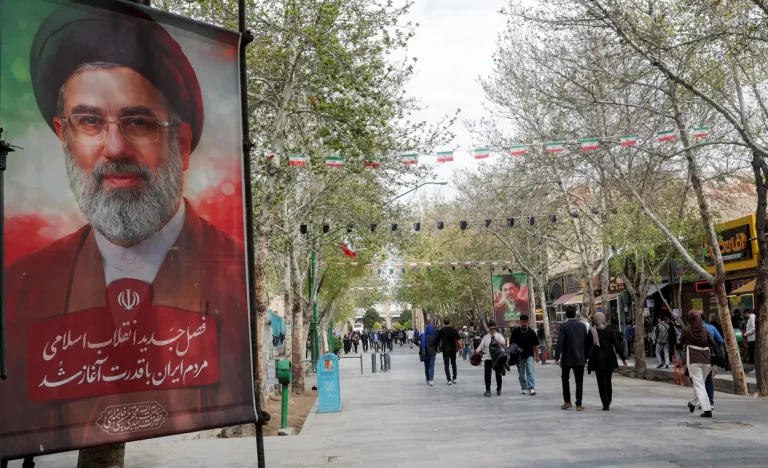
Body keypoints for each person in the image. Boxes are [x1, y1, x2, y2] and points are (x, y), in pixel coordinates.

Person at [2, 1, 254, 455]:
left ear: (179, 141)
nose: (114, 147)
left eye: (138, 122)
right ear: (65, 135)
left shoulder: (233, 270)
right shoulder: (21, 287)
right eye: (91, 121)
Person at [682, 310, 719, 418]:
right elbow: (713, 343)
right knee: (700, 384)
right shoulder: (705, 330)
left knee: (699, 385)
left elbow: (681, 341)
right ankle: (692, 403)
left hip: (694, 360)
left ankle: (707, 410)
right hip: (706, 360)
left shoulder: (687, 330)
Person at [587, 312, 627, 411]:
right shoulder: (610, 330)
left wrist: (585, 359)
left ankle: (605, 404)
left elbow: (587, 347)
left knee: (601, 383)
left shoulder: (592, 331)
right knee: (608, 381)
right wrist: (623, 358)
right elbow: (617, 345)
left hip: (598, 360)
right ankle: (608, 399)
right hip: (609, 359)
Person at [555, 306, 590, 411]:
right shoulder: (582, 326)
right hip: (579, 358)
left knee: (565, 379)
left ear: (566, 314)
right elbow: (586, 343)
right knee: (579, 381)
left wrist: (557, 356)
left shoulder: (564, 326)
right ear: (575, 314)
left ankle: (567, 402)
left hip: (567, 358)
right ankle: (579, 404)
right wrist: (586, 356)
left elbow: (560, 342)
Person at [475, 321, 507, 397]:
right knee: (487, 375)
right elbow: (481, 346)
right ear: (489, 329)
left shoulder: (499, 336)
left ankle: (499, 389)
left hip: (497, 359)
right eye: (491, 329)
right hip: (488, 359)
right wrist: (476, 352)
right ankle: (488, 390)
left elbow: (504, 343)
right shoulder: (486, 337)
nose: (492, 330)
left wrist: (497, 341)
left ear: (495, 328)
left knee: (498, 375)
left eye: (494, 328)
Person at [511, 315, 540, 395]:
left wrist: (537, 355)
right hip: (519, 356)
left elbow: (536, 344)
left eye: (525, 322)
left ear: (528, 322)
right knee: (521, 373)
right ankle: (524, 387)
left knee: (530, 371)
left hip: (529, 355)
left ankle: (531, 388)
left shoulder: (531, 332)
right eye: (522, 322)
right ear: (520, 322)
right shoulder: (515, 332)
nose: (524, 324)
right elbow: (512, 344)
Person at [702, 316, 724, 410]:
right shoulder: (711, 328)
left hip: (694, 358)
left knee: (697, 381)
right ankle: (710, 402)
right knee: (708, 379)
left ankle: (701, 401)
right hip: (709, 356)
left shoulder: (689, 328)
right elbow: (720, 340)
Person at [436, 318, 461, 385]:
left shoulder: (441, 330)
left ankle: (449, 380)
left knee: (446, 365)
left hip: (445, 349)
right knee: (453, 363)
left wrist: (437, 348)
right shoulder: (453, 330)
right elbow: (459, 339)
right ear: (449, 322)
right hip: (453, 349)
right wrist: (460, 348)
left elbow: (438, 340)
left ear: (444, 323)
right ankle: (454, 378)